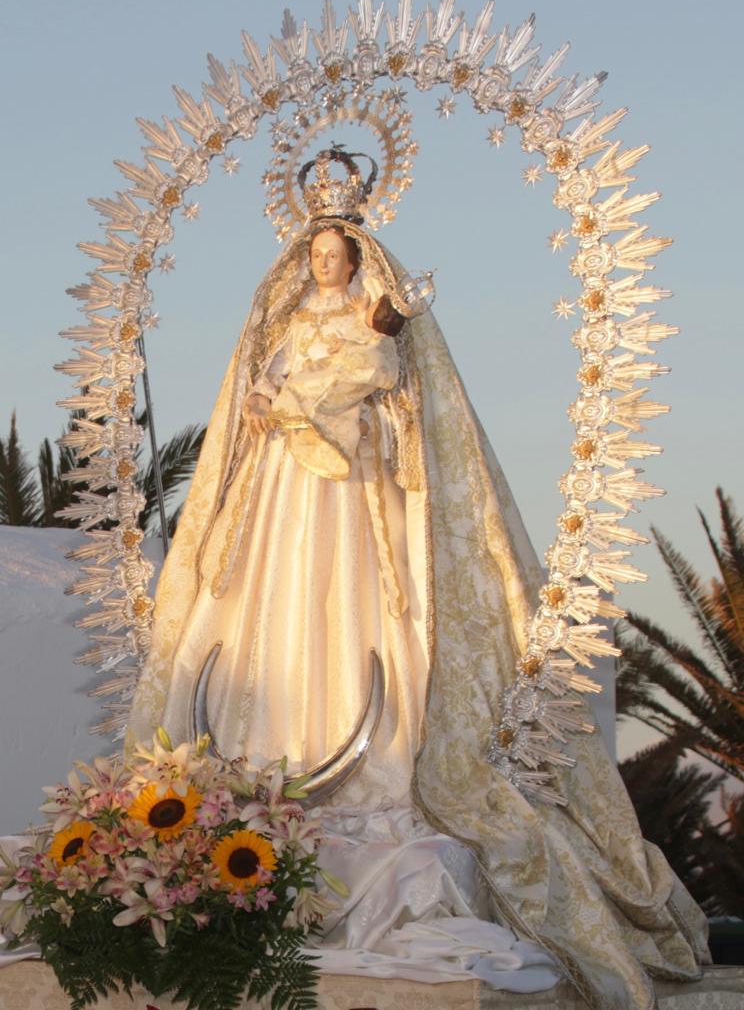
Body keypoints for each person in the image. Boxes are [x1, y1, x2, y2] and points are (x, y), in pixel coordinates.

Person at [127, 153, 709, 1009]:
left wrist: (335, 392)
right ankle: (254, 771)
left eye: (338, 255)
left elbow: (384, 386)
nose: (327, 265)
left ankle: (371, 773)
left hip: (353, 492)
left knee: (355, 611)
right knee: (268, 612)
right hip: (283, 493)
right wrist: (273, 404)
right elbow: (265, 387)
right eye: (316, 255)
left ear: (357, 257)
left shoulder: (377, 323)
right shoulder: (290, 323)